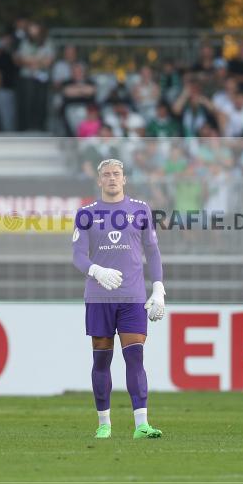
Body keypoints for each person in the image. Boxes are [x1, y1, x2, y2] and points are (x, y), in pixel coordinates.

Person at [71, 158, 164, 440]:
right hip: (99, 297)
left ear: (124, 180)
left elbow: (153, 252)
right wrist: (96, 270)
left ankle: (141, 425)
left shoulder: (140, 210)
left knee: (135, 357)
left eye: (117, 174)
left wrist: (158, 288)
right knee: (101, 361)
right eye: (107, 175)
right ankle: (104, 424)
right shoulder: (86, 214)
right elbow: (78, 255)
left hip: (133, 297)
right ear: (99, 181)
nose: (112, 178)